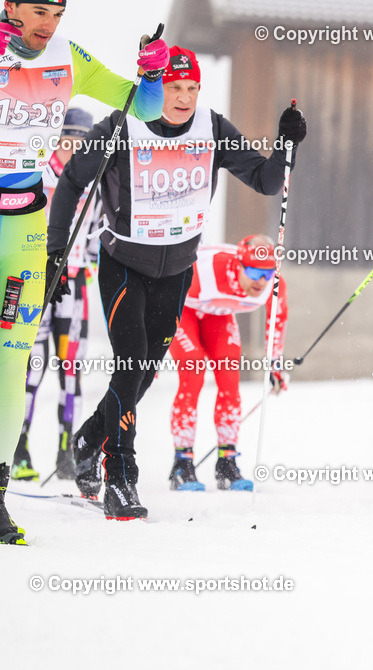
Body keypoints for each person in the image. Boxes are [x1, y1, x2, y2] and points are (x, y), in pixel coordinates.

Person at [47, 46, 306, 520]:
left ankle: (87, 439)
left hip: (176, 271)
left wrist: (287, 147)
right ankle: (120, 477)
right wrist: (54, 252)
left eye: (191, 88)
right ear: (154, 88)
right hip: (124, 262)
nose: (183, 98)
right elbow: (70, 183)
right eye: (172, 87)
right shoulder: (122, 126)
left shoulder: (213, 128)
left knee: (144, 374)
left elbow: (266, 181)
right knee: (129, 366)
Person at [0, 0, 169, 545]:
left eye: (57, 12)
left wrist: (152, 71)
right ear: (10, 7)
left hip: (24, 229)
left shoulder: (69, 59)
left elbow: (144, 109)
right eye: (37, 11)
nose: (48, 23)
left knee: (10, 364)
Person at [13, 108, 101, 482]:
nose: (73, 147)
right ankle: (17, 449)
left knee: (71, 369)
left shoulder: (93, 183)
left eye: (80, 142)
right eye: (67, 139)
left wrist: (86, 273)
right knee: (29, 370)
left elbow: (98, 237)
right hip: (35, 282)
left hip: (73, 284)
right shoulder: (37, 175)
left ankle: (67, 450)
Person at [168, 234, 288, 492]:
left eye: (267, 274)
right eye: (255, 272)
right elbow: (160, 292)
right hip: (181, 308)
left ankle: (227, 461)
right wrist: (149, 346)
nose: (261, 281)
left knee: (230, 378)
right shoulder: (207, 269)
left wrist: (274, 364)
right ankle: (182, 462)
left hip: (218, 315)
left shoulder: (273, 284)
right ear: (239, 265)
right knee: (194, 369)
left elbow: (277, 319)